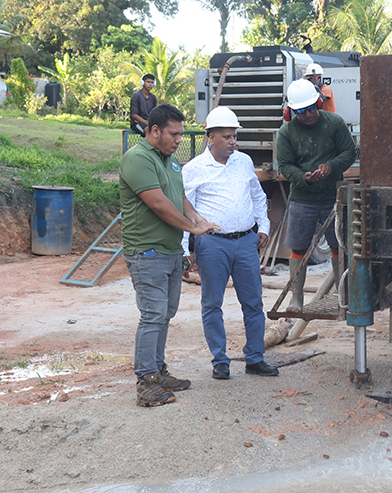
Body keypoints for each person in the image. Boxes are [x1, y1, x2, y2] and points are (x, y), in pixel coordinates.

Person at [120, 103, 218, 407]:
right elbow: (159, 204)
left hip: (170, 251)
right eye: (173, 134)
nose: (178, 140)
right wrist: (193, 228)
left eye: (180, 134)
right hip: (146, 253)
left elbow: (180, 197)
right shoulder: (137, 159)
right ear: (154, 131)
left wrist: (198, 220)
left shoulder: (170, 161)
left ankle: (158, 371)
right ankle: (146, 381)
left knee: (164, 315)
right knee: (152, 316)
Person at [182, 106, 278, 380]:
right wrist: (185, 248)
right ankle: (220, 360)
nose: (233, 141)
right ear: (210, 137)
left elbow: (258, 196)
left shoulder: (244, 162)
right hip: (212, 245)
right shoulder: (194, 169)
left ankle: (255, 358)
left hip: (246, 241)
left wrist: (264, 226)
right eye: (227, 136)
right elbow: (184, 208)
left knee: (253, 302)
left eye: (234, 136)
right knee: (212, 303)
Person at [276, 79, 356, 312]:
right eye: (300, 111)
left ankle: (344, 294)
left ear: (319, 102)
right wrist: (304, 177)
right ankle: (296, 299)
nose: (307, 114)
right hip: (303, 197)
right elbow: (285, 165)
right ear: (292, 111)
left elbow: (349, 152)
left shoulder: (335, 123)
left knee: (338, 245)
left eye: (311, 108)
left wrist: (331, 166)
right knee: (298, 247)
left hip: (333, 196)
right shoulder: (287, 132)